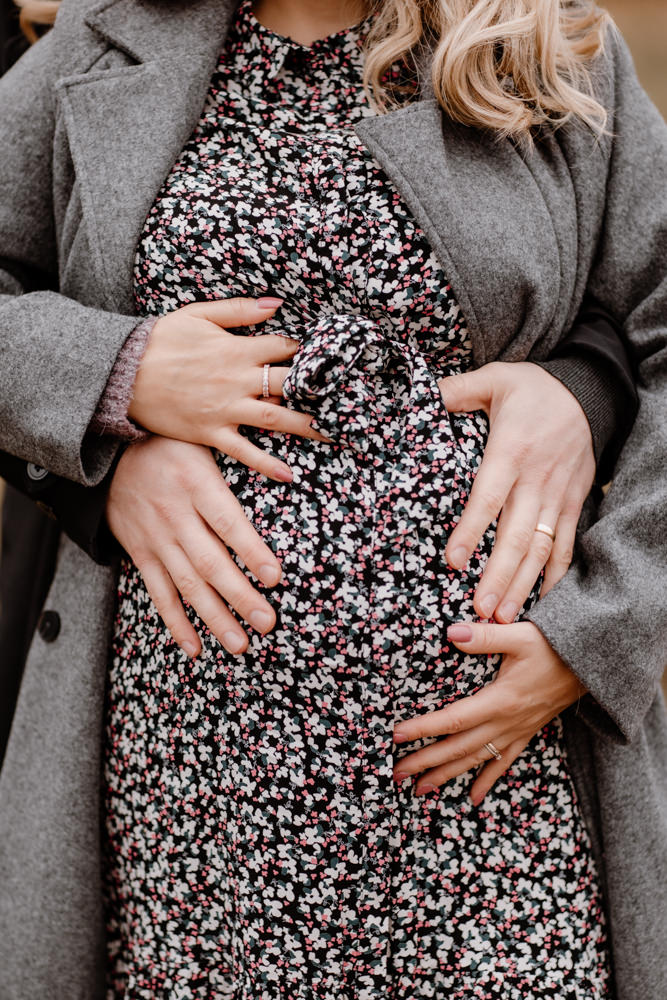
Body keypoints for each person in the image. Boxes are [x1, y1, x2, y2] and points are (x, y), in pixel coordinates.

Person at [0, 0, 665, 998]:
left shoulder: (545, 40)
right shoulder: (98, 45)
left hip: (496, 826)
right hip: (193, 829)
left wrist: (603, 628)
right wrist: (112, 373)